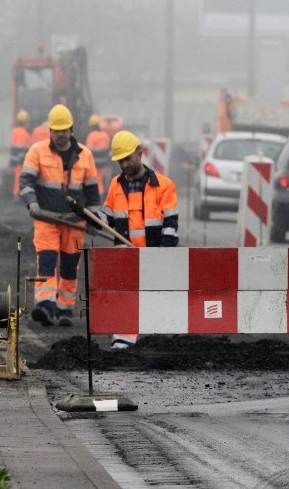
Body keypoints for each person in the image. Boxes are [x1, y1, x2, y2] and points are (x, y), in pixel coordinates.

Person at [94, 130, 179, 349]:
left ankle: (160, 343)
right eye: (120, 161)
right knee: (125, 297)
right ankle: (123, 340)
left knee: (157, 299)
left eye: (127, 159)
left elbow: (171, 223)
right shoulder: (115, 185)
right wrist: (93, 218)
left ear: (140, 154)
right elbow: (107, 218)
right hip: (126, 256)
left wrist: (164, 252)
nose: (123, 165)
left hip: (153, 254)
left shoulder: (164, 185)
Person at [19, 104, 101, 327]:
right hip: (46, 218)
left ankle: (64, 309)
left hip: (74, 223)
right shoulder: (37, 151)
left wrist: (95, 220)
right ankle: (45, 305)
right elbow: (25, 182)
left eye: (65, 130)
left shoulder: (85, 155)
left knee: (69, 266)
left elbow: (93, 193)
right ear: (50, 131)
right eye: (57, 130)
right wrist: (32, 203)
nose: (61, 135)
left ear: (71, 130)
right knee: (46, 261)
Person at [85, 114, 111, 195]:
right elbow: (107, 151)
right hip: (105, 166)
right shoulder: (105, 135)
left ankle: (99, 198)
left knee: (98, 184)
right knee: (105, 183)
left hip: (94, 165)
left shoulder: (91, 136)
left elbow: (87, 153)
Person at [9, 110, 32, 199]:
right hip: (21, 160)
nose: (28, 123)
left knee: (17, 176)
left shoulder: (14, 131)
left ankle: (17, 193)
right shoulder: (25, 133)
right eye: (28, 121)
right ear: (25, 122)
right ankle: (17, 194)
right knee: (21, 177)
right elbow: (27, 148)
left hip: (14, 159)